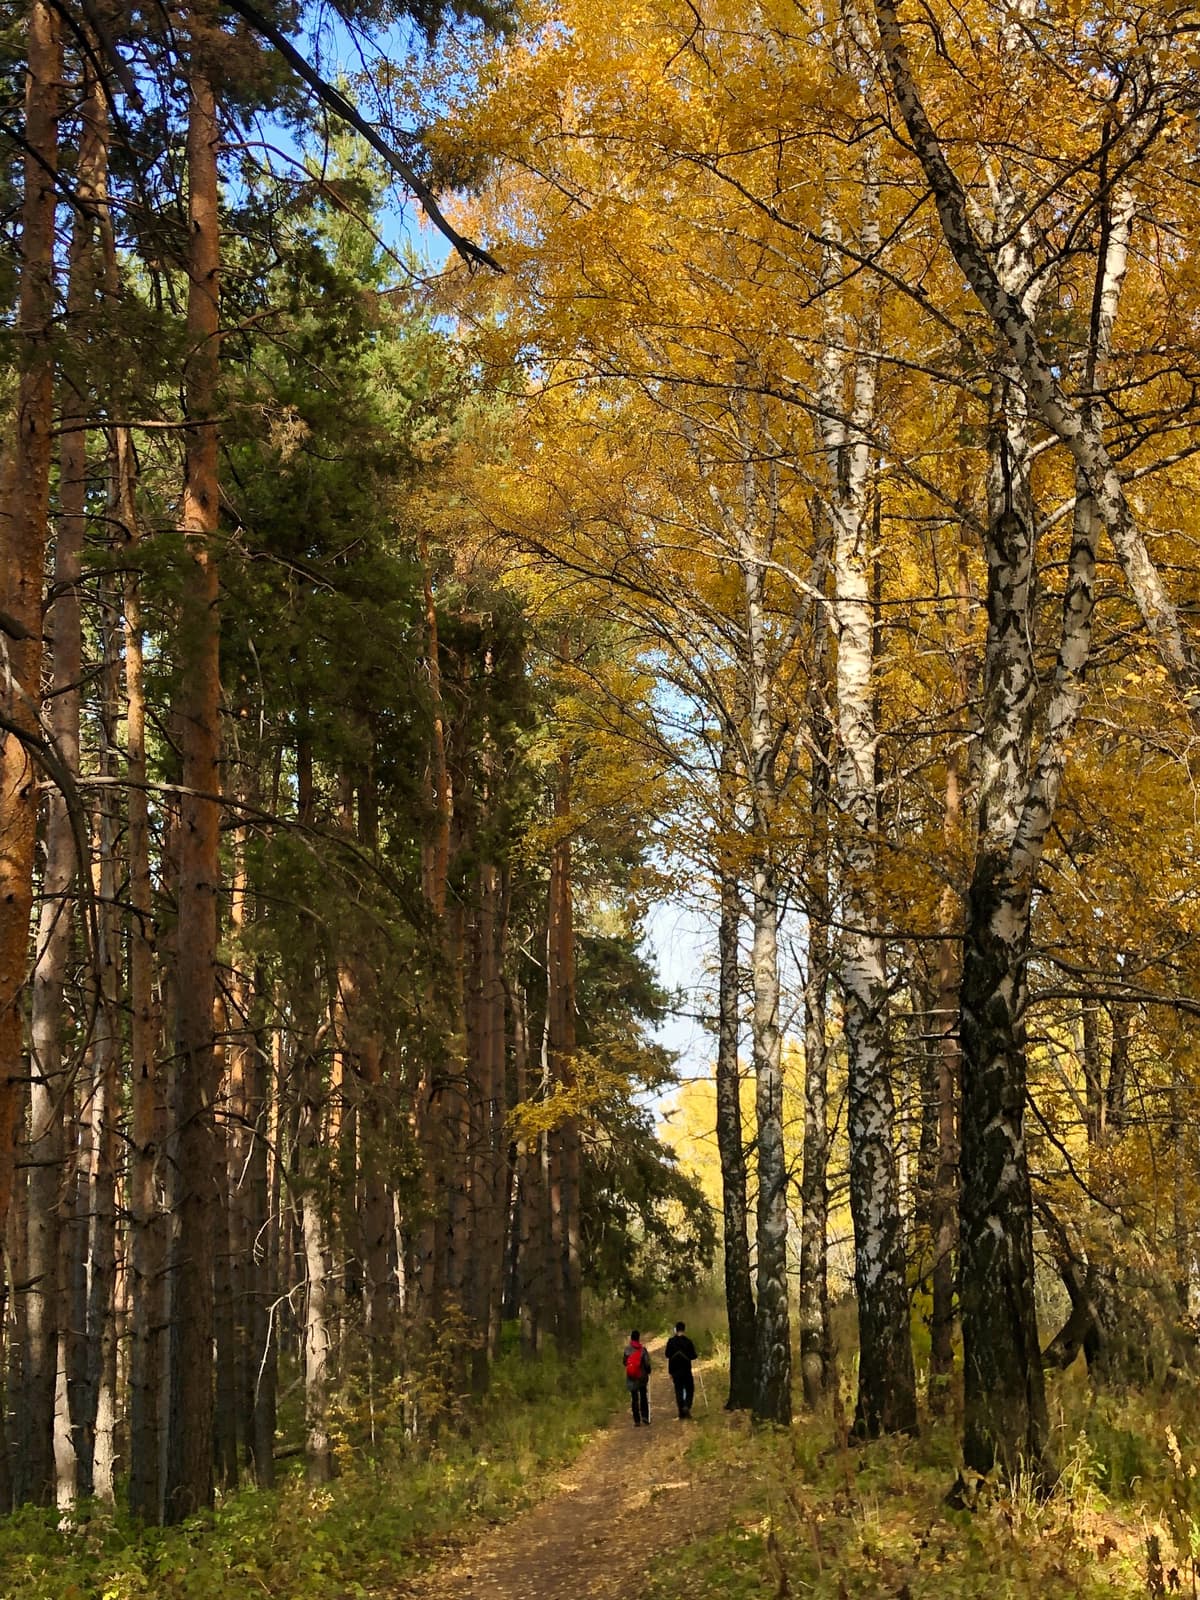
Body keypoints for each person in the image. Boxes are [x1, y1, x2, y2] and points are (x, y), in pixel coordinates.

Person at [664, 1320, 697, 1419]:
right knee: (690, 1389)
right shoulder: (688, 1341)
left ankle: (681, 1412)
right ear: (684, 1329)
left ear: (676, 1329)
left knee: (678, 1390)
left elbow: (667, 1355)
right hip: (686, 1370)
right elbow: (693, 1356)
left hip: (675, 1370)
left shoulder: (671, 1341)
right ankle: (687, 1405)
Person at [623, 1328, 651, 1426]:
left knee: (634, 1398)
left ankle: (637, 1420)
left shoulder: (627, 1350)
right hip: (642, 1377)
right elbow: (647, 1364)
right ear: (639, 1338)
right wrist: (648, 1371)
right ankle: (645, 1416)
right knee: (643, 1396)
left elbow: (624, 1363)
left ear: (631, 1338)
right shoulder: (643, 1350)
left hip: (631, 1377)